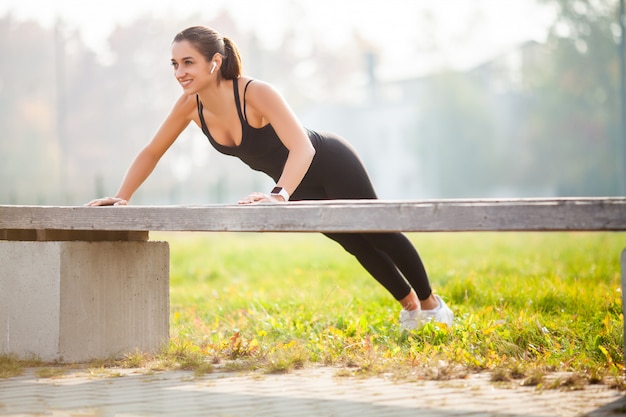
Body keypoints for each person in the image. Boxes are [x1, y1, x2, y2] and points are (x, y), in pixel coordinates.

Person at [86, 25, 453, 329]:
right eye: (174, 64)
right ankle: (411, 310)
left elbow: (303, 149)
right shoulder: (189, 107)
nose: (179, 72)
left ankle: (434, 306)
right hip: (295, 185)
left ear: (215, 62)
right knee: (353, 243)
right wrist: (122, 196)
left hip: (329, 163)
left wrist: (278, 195)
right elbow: (152, 151)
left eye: (188, 62)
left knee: (379, 232)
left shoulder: (255, 92)